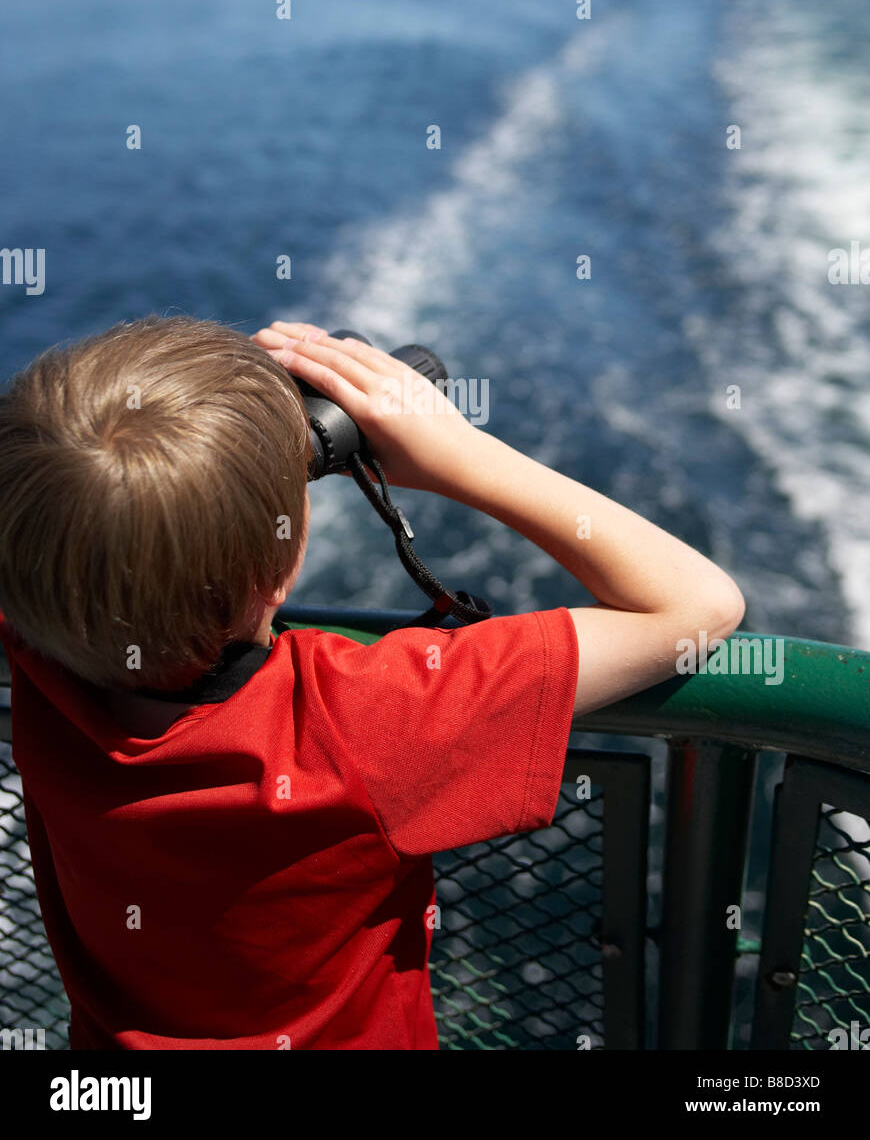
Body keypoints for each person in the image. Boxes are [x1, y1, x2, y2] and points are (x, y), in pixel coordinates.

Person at [0, 316, 744, 1049]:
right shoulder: (366, 717)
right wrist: (460, 455)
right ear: (281, 565)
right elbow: (695, 605)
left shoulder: (36, 657)